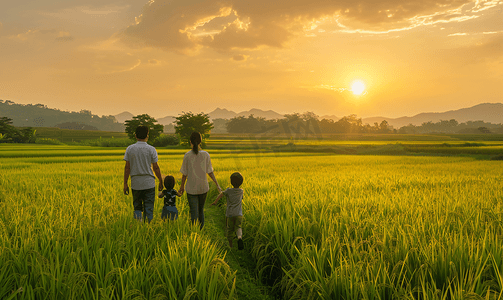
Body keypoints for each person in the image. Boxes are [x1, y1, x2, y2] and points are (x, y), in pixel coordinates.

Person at [179, 131, 222, 229]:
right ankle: (201, 230)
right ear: (200, 141)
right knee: (200, 210)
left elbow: (184, 174)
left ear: (190, 141)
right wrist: (217, 184)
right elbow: (210, 172)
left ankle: (194, 233)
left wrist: (181, 187)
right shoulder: (206, 155)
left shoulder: (187, 155)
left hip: (191, 188)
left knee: (194, 212)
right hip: (203, 188)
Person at [123, 125, 163, 223]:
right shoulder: (151, 149)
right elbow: (156, 167)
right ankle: (147, 229)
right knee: (148, 208)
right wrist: (161, 181)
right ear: (147, 136)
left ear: (135, 136)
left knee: (137, 207)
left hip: (135, 183)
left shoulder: (130, 149)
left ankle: (138, 228)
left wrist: (125, 183)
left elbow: (127, 167)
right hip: (149, 183)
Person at [211, 172, 244, 250]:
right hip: (239, 214)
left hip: (230, 214)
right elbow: (241, 198)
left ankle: (230, 245)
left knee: (230, 229)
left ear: (231, 182)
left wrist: (215, 202)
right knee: (238, 227)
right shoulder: (241, 191)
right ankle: (239, 238)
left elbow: (221, 194)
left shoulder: (228, 190)